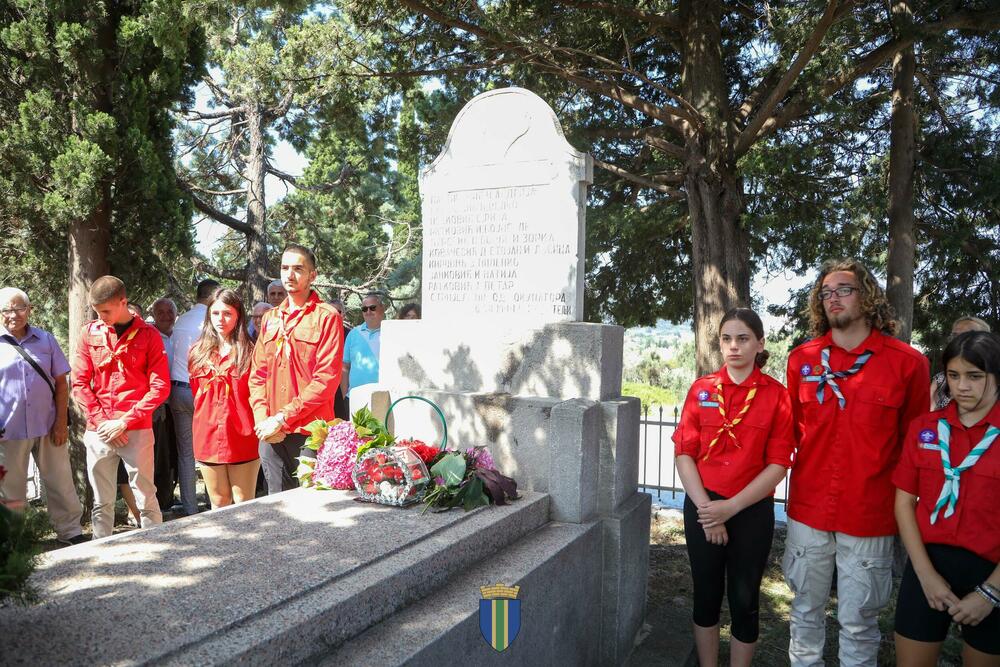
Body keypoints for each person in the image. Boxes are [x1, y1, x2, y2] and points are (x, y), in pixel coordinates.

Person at [783, 259, 930, 667]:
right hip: (809, 510)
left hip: (869, 514)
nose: (833, 298)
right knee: (804, 613)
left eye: (844, 290)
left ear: (867, 296)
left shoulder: (907, 364)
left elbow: (914, 448)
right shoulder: (801, 360)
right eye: (826, 293)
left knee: (859, 624)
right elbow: (790, 433)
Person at [673, 308, 794, 667]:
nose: (734, 346)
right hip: (703, 506)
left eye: (743, 338)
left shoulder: (777, 396)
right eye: (726, 339)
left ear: (760, 344)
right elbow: (684, 453)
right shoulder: (702, 390)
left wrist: (730, 508)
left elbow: (778, 464)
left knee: (745, 602)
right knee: (706, 596)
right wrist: (708, 512)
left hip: (750, 511)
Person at [893, 331, 1000, 666]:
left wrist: (991, 592)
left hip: (992, 573)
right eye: (953, 375)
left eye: (975, 376)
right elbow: (904, 503)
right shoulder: (924, 427)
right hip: (928, 566)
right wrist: (925, 574)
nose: (962, 386)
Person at [72, 276, 170, 539]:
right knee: (101, 502)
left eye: (106, 311)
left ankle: (158, 551)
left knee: (146, 497)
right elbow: (79, 383)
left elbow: (160, 387)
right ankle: (100, 553)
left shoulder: (149, 335)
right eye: (97, 312)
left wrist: (124, 422)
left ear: (123, 302)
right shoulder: (89, 333)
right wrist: (104, 423)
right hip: (99, 429)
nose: (101, 317)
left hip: (135, 428)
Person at [250, 244, 344, 494]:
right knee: (276, 506)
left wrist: (282, 418)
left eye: (298, 269)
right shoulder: (270, 318)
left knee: (310, 505)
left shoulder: (326, 317)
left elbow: (325, 380)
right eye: (285, 268)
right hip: (272, 434)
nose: (289, 275)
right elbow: (257, 375)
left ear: (312, 275)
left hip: (309, 432)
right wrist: (263, 421)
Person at [0, 287, 86, 545]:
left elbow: (61, 383)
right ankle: (15, 541)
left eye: (19, 308)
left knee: (60, 479)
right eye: (6, 309)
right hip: (8, 429)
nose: (13, 314)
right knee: (11, 488)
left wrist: (61, 421)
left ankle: (70, 531)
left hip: (48, 425)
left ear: (29, 310)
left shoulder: (45, 340)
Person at [188, 289, 260, 508]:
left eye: (227, 313)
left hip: (242, 435)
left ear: (238, 315)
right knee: (218, 502)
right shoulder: (197, 352)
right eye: (216, 313)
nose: (221, 319)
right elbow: (196, 392)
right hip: (208, 435)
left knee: (244, 502)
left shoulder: (250, 351)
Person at [169, 279, 219, 515]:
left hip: (178, 389)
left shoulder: (182, 320)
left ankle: (190, 508)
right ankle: (214, 501)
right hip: (202, 389)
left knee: (186, 453)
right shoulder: (211, 320)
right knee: (211, 447)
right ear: (213, 296)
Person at [150, 297, 179, 510]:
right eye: (160, 312)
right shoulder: (151, 337)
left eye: (170, 312)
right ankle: (158, 498)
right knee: (159, 452)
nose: (166, 316)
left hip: (178, 402)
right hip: (158, 406)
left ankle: (170, 494)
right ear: (154, 315)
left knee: (175, 452)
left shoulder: (180, 335)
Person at [930, 316, 991, 410]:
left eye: (968, 336)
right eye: (955, 336)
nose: (958, 340)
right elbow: (931, 408)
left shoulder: (993, 378)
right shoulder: (941, 379)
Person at [341, 292, 385, 401]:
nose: (368, 312)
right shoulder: (353, 334)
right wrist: (344, 396)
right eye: (364, 309)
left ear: (382, 309)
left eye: (372, 308)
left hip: (382, 398)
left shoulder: (390, 333)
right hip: (354, 398)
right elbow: (345, 367)